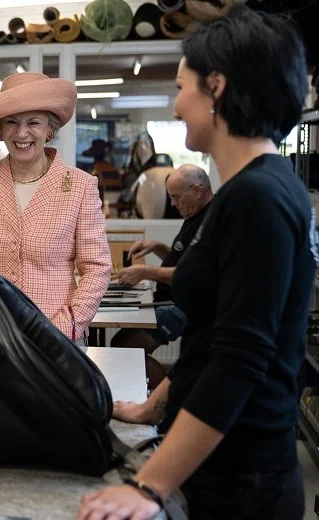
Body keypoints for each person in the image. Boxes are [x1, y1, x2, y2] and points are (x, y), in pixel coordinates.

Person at [78, 6, 315, 520]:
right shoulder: (245, 193)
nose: (177, 103)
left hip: (243, 481)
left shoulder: (260, 198)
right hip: (219, 468)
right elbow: (210, 337)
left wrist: (148, 486)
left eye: (183, 86)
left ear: (218, 87)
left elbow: (240, 359)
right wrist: (149, 409)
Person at [0, 72, 112, 345]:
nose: (22, 133)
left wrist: (65, 325)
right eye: (12, 122)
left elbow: (97, 268)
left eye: (33, 122)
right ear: (1, 128)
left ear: (50, 129)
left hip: (57, 336)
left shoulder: (80, 185)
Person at [111, 164, 214, 389]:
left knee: (127, 350)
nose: (174, 204)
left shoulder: (211, 221)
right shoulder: (193, 215)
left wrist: (146, 271)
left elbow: (194, 274)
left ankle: (166, 404)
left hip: (184, 308)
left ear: (197, 190)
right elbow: (186, 261)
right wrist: (157, 247)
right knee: (118, 343)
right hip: (171, 299)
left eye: (176, 197)